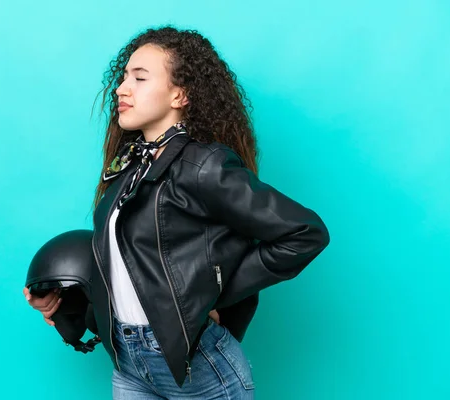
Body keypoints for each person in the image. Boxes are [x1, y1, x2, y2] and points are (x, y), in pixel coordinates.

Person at [23, 25, 330, 399]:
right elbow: (136, 274)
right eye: (123, 78)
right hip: (129, 361)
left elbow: (304, 232)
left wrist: (207, 299)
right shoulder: (127, 171)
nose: (122, 88)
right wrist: (63, 302)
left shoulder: (204, 167)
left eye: (139, 77)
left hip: (199, 366)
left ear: (180, 95)